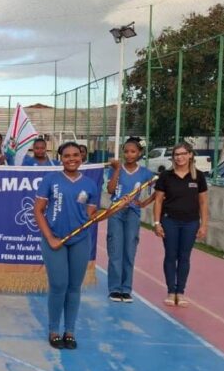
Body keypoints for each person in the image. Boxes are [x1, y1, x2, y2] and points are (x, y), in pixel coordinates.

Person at [34, 142, 99, 350]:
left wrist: (107, 213)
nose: (72, 159)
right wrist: (50, 238)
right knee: (59, 285)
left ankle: (69, 331)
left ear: (82, 156)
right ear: (61, 158)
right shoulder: (50, 180)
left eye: (76, 155)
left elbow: (89, 215)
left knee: (73, 287)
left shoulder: (90, 184)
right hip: (55, 240)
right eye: (67, 155)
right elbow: (38, 211)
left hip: (80, 241)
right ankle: (54, 330)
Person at [153, 142, 209, 307]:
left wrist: (204, 225)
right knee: (171, 256)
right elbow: (157, 201)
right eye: (176, 154)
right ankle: (171, 291)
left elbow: (203, 203)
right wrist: (157, 223)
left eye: (183, 153)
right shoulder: (166, 176)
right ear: (173, 157)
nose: (180, 157)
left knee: (184, 257)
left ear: (190, 155)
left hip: (191, 223)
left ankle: (180, 292)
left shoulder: (198, 176)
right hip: (169, 221)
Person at [105, 138, 155, 303]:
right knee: (115, 249)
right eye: (126, 151)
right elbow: (111, 190)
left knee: (129, 250)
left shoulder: (145, 173)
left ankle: (126, 289)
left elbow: (160, 188)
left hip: (133, 213)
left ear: (140, 153)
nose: (129, 154)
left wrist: (144, 203)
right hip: (116, 212)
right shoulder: (116, 169)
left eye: (133, 151)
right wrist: (118, 169)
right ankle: (114, 289)